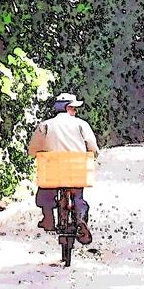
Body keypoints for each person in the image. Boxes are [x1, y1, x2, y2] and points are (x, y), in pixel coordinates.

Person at [28, 92, 99, 244]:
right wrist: (93, 155)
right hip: (76, 170)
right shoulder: (81, 124)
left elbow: (32, 150)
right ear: (67, 108)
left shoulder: (45, 125)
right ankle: (80, 220)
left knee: (45, 195)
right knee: (78, 198)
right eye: (73, 107)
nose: (75, 111)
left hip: (52, 172)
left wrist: (38, 154)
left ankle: (48, 219)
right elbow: (92, 147)